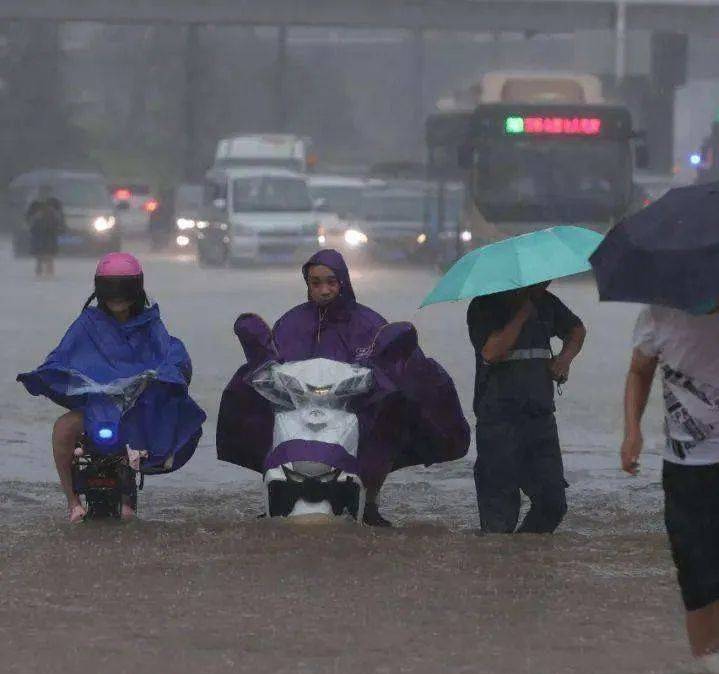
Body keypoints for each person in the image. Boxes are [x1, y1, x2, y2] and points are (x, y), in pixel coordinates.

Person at [217, 249, 470, 526]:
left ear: (343, 282)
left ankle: (369, 501)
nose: (324, 290)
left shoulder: (367, 322)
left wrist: (382, 380)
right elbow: (271, 362)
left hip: (356, 407)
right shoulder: (291, 322)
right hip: (298, 406)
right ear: (307, 284)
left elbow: (393, 358)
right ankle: (277, 493)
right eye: (316, 283)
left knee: (385, 422)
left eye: (330, 282)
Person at [18, 252, 206, 523]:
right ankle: (72, 503)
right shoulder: (87, 324)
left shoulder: (151, 325)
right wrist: (50, 372)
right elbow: (62, 354)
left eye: (123, 290)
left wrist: (167, 373)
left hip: (136, 410)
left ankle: (129, 494)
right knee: (62, 429)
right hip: (96, 409)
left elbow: (170, 354)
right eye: (111, 290)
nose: (117, 297)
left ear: (136, 289)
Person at [622, 303, 719, 673]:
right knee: (694, 573)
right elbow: (638, 371)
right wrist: (632, 431)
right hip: (685, 468)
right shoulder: (658, 316)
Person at [467, 282, 586, 533]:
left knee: (552, 503)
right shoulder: (483, 305)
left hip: (540, 417)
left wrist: (564, 361)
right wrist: (523, 310)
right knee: (498, 519)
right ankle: (499, 566)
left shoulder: (547, 302)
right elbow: (492, 351)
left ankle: (528, 563)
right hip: (498, 420)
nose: (548, 281)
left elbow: (576, 330)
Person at [26, 197, 63, 278]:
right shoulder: (35, 204)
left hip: (50, 231)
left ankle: (49, 272)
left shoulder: (54, 203)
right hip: (38, 231)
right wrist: (35, 217)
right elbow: (28, 217)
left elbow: (60, 217)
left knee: (49, 253)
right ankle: (39, 271)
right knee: (39, 253)